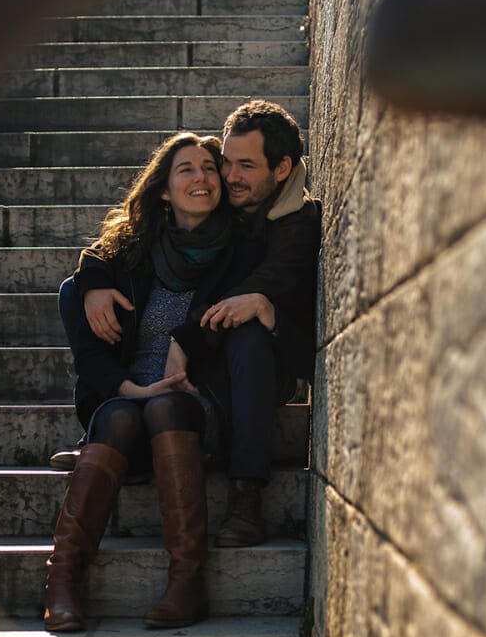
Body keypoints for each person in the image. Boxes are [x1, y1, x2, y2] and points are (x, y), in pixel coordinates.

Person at [76, 100, 321, 549]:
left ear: (282, 168)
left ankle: (246, 496)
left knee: (248, 327)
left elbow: (250, 289)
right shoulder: (223, 203)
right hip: (207, 353)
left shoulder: (296, 223)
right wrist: (91, 280)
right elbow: (124, 236)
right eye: (226, 162)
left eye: (245, 166)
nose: (227, 177)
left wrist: (185, 339)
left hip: (266, 357)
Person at [47, 132, 262, 632]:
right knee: (122, 415)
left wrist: (169, 380)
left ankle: (188, 581)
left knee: (165, 407)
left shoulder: (243, 252)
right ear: (163, 189)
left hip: (195, 407)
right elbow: (91, 356)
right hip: (127, 405)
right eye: (186, 169)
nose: (202, 177)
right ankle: (63, 580)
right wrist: (131, 388)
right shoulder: (127, 257)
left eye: (210, 167)